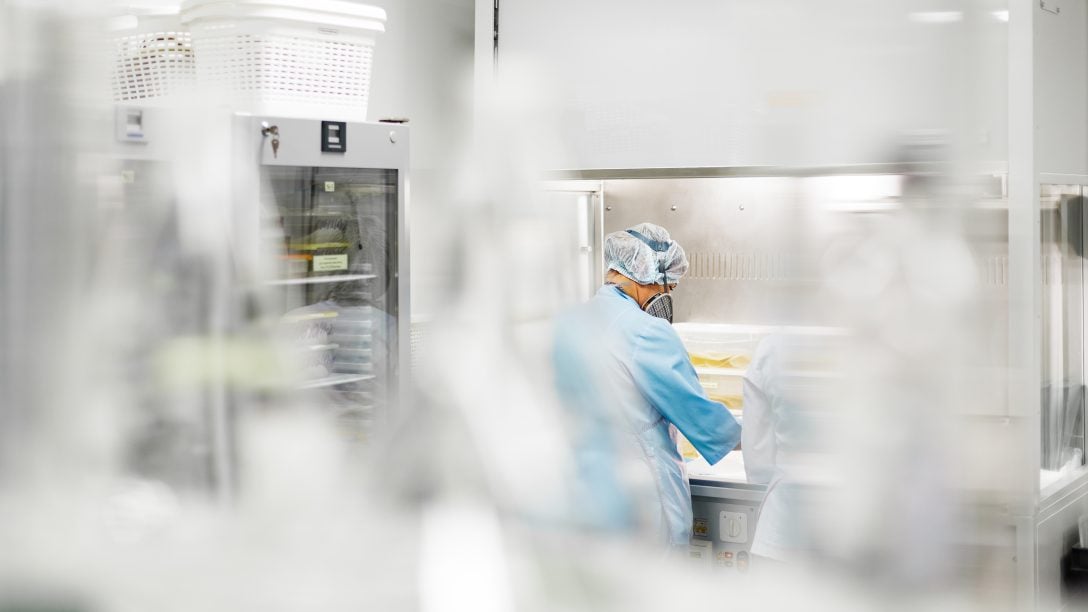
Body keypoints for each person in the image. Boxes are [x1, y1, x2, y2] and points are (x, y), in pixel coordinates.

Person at [553, 222, 741, 548]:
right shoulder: (647, 331)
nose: (666, 297)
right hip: (641, 498)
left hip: (583, 494)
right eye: (667, 287)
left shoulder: (570, 323)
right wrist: (762, 433)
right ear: (648, 275)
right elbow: (702, 419)